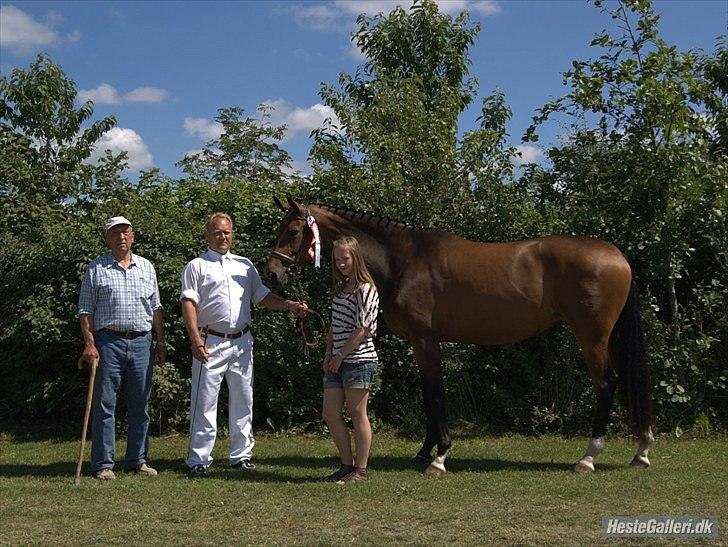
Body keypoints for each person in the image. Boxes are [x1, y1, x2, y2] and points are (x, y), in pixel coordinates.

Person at [181, 212, 308, 477]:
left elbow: (262, 297)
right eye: (217, 232)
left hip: (242, 342)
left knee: (243, 400)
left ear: (232, 234)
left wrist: (289, 306)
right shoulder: (197, 266)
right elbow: (188, 304)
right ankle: (199, 459)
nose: (222, 236)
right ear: (207, 235)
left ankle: (241, 455)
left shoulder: (244, 265)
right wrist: (195, 340)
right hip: (210, 341)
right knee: (204, 402)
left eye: (226, 232)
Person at [78, 216, 166, 480]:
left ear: (133, 235)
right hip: (108, 342)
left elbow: (156, 308)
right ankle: (103, 464)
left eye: (125, 231)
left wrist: (160, 342)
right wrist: (90, 344)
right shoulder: (96, 268)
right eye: (115, 233)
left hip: (142, 342)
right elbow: (85, 311)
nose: (121, 237)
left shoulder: (147, 267)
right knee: (105, 404)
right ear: (108, 238)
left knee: (141, 404)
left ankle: (138, 460)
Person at [322, 236, 380, 485]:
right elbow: (335, 326)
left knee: (357, 413)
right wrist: (329, 354)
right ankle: (346, 465)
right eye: (337, 259)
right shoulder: (340, 288)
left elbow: (363, 329)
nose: (341, 263)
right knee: (330, 413)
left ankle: (361, 469)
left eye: (345, 258)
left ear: (355, 257)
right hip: (337, 359)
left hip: (359, 359)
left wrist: (340, 355)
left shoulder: (366, 289)